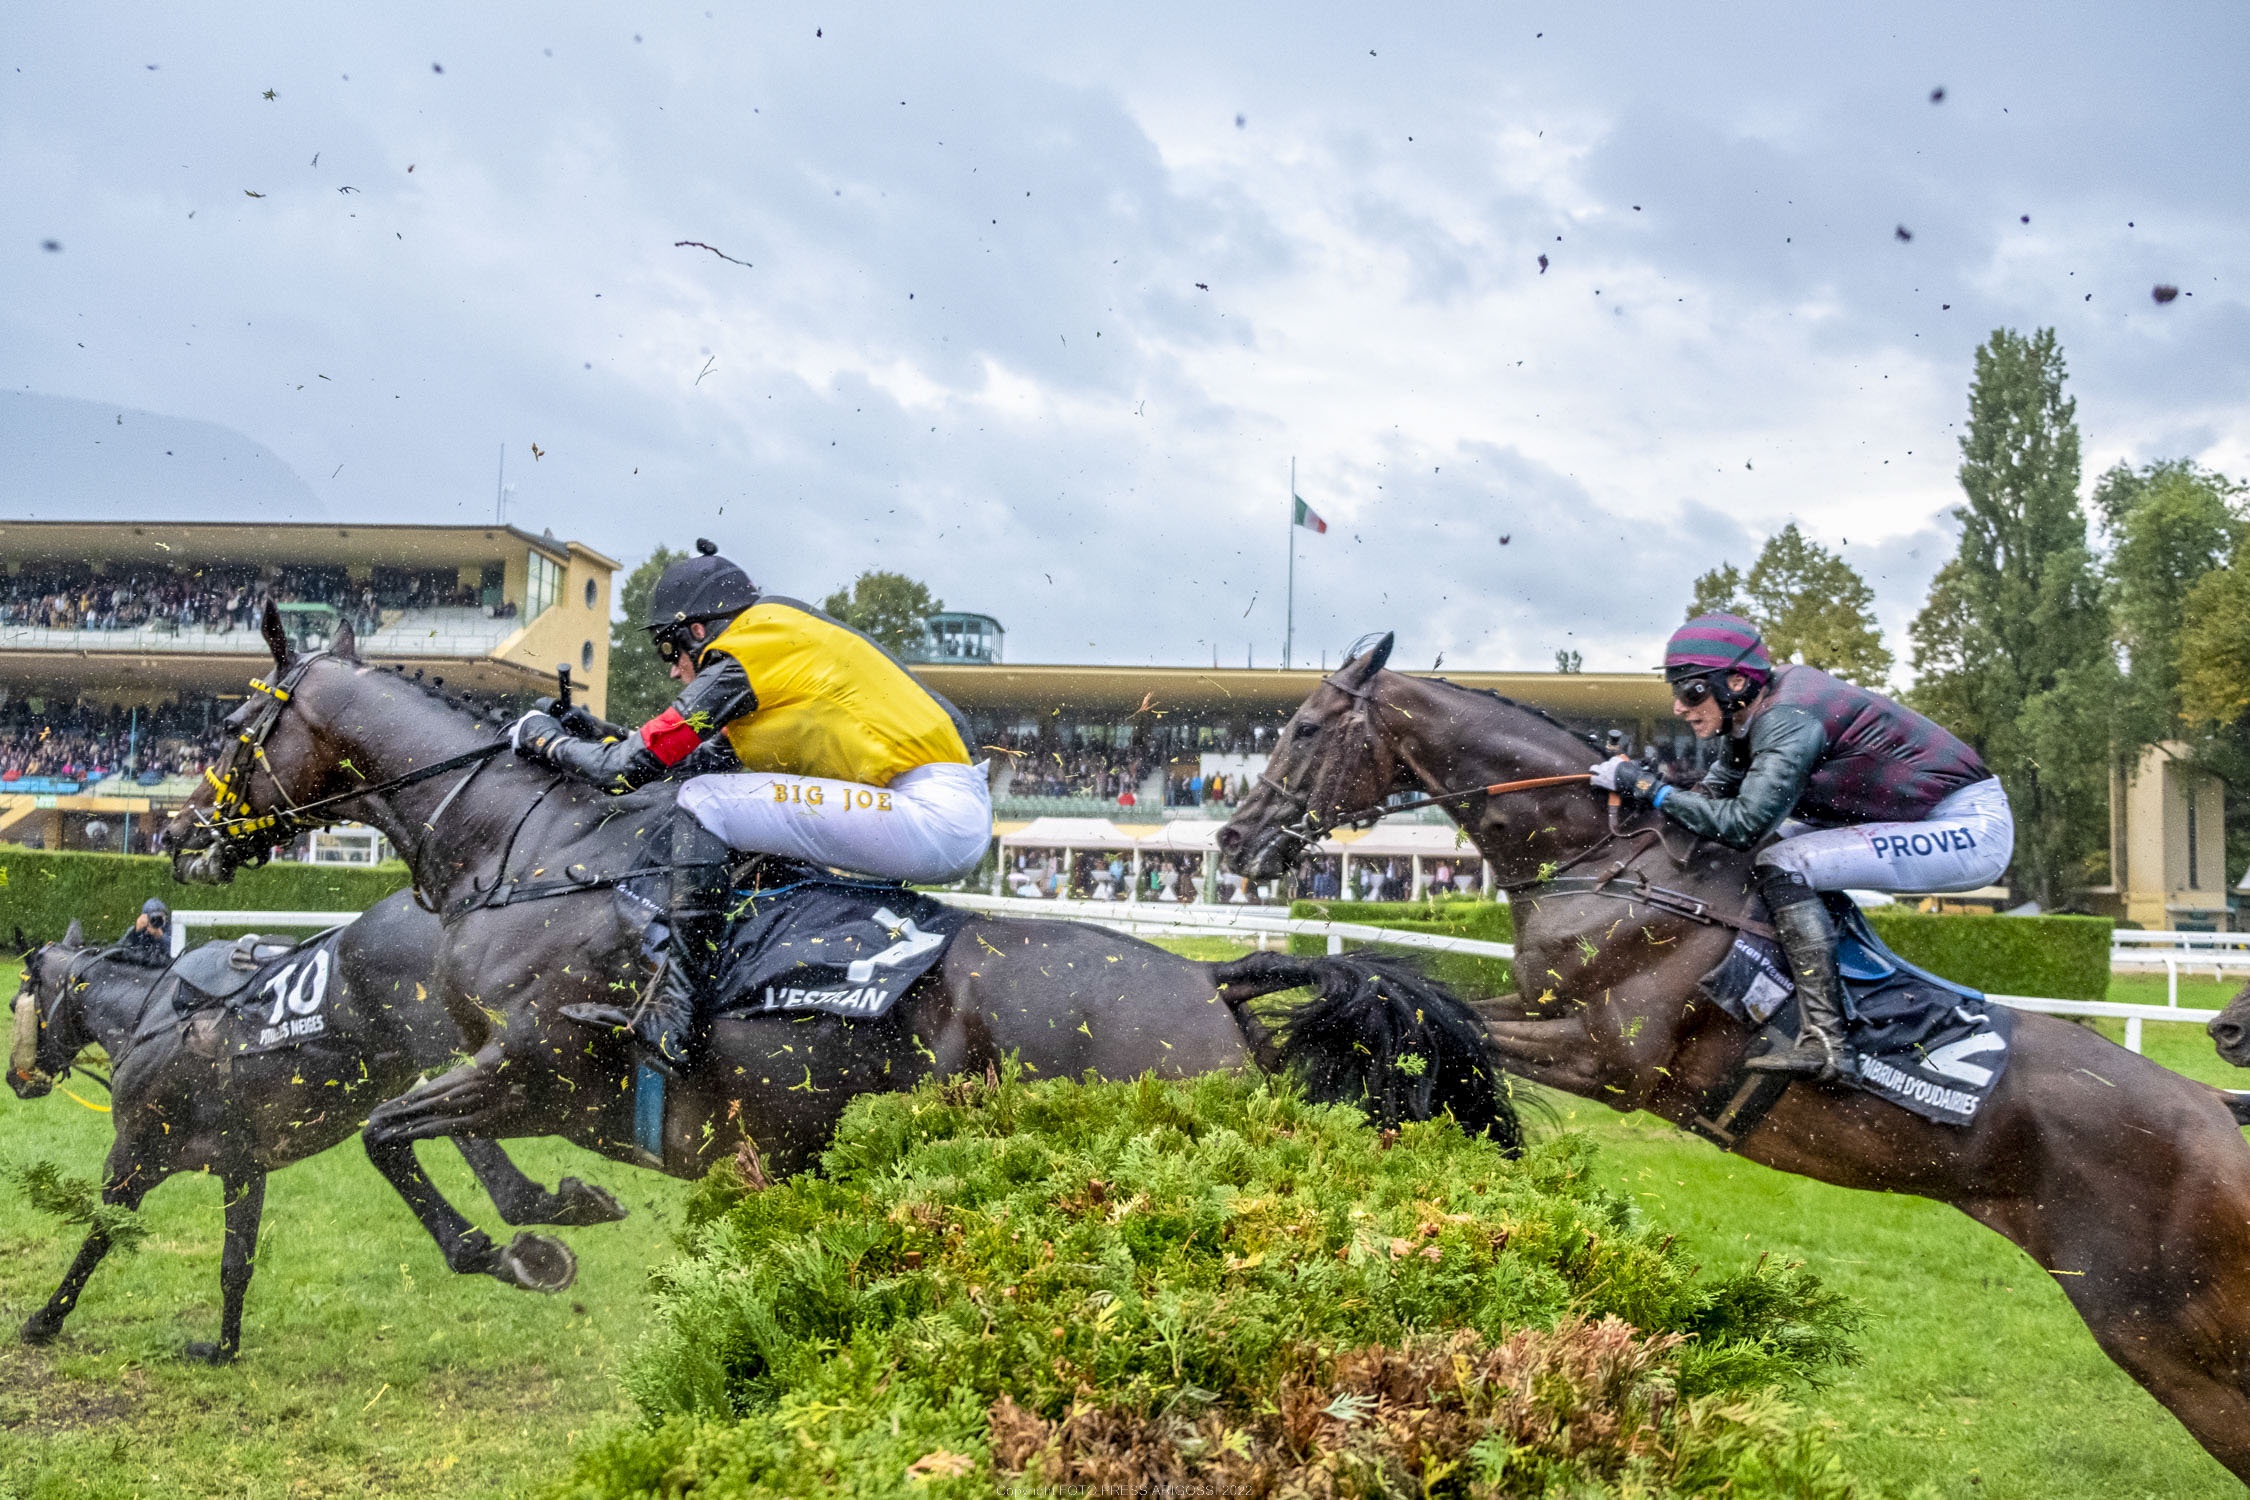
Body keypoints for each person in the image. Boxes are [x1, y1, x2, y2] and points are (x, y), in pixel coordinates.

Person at [507, 540, 991, 1074]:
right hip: (933, 806)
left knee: (704, 804)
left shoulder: (748, 648)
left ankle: (677, 1014)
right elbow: (682, 760)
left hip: (930, 811)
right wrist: (596, 736)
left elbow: (628, 771)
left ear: (698, 630)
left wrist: (541, 740)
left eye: (671, 652)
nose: (674, 672)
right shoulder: (775, 654)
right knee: (709, 793)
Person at [1591, 613, 2010, 1081]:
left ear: (1735, 681)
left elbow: (1744, 824)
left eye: (1691, 691)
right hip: (1921, 818)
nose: (1678, 708)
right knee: (1763, 857)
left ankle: (1828, 1043)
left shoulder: (1787, 719)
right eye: (1677, 692)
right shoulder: (1749, 712)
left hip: (1968, 826)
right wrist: (1638, 793)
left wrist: (1652, 788)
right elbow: (1713, 799)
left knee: (1782, 860)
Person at [118, 897, 170, 961]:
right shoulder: (138, 929)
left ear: (165, 917)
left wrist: (161, 937)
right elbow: (119, 949)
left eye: (159, 917)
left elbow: (177, 953)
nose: (156, 921)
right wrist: (135, 932)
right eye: (152, 918)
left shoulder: (170, 929)